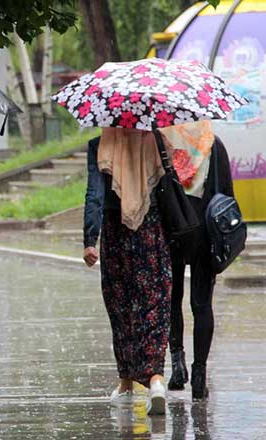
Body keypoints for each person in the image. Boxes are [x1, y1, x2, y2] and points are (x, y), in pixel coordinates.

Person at [83, 128, 172, 416]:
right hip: (151, 230)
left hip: (115, 232)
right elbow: (170, 185)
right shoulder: (156, 141)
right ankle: (156, 380)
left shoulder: (100, 145)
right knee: (154, 304)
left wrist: (89, 239)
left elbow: (94, 194)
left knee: (120, 307)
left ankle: (126, 385)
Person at [164, 122, 235, 400]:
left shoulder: (164, 144)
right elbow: (227, 195)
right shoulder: (214, 145)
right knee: (202, 305)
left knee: (172, 299)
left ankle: (177, 364)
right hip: (205, 233)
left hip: (172, 231)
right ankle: (199, 375)